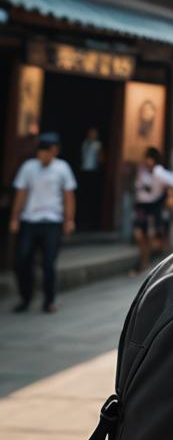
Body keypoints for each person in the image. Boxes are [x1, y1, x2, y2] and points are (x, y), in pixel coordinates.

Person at [9, 132, 76, 313]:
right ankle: (25, 297)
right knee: (23, 260)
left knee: (48, 263)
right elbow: (21, 193)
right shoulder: (28, 167)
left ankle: (49, 300)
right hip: (29, 221)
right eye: (41, 151)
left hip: (53, 222)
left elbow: (68, 196)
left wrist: (69, 220)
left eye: (48, 151)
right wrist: (15, 218)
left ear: (55, 151)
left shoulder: (63, 168)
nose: (44, 155)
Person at [131, 147, 173, 274]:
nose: (148, 161)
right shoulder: (142, 170)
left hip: (153, 206)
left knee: (150, 236)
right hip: (141, 205)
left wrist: (170, 195)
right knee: (139, 234)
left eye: (150, 158)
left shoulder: (159, 172)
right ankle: (144, 261)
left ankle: (145, 262)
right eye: (147, 158)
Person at [78, 126, 104, 231]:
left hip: (94, 172)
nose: (92, 135)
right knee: (83, 196)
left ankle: (93, 223)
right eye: (90, 133)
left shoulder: (98, 145)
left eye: (94, 133)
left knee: (92, 197)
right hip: (84, 171)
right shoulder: (84, 143)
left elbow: (101, 158)